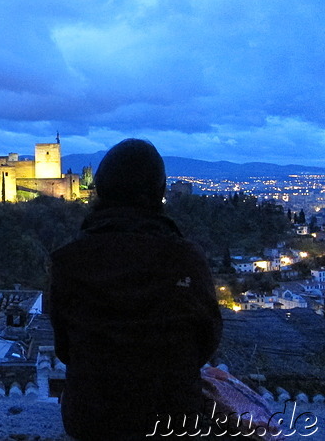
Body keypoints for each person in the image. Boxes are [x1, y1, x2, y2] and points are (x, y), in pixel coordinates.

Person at [49, 138, 222, 440]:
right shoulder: (186, 259)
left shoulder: (69, 261)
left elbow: (64, 349)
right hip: (173, 421)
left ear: (100, 189)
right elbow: (207, 339)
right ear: (158, 191)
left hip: (91, 420)